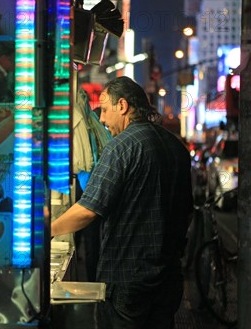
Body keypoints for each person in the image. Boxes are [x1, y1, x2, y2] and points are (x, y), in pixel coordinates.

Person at [51, 77, 194, 329]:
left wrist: (45, 231)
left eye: (105, 110)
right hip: (168, 279)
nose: (103, 120)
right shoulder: (176, 147)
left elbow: (87, 210)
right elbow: (187, 212)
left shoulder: (120, 148)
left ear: (123, 106)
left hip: (128, 280)